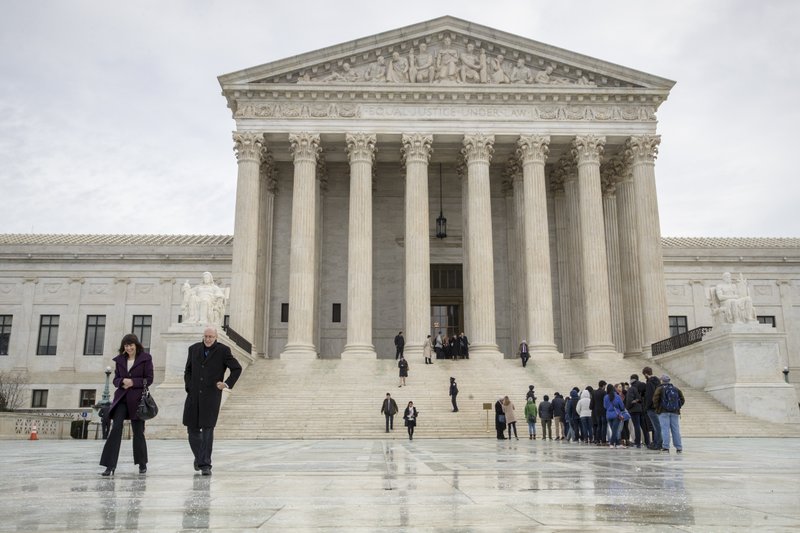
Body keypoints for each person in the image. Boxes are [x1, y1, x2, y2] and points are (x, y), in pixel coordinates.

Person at [183, 326, 242, 476]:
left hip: (211, 396)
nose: (208, 339)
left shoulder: (223, 351)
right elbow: (188, 370)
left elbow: (237, 368)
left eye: (211, 337)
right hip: (194, 396)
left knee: (208, 430)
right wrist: (189, 386)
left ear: (216, 338)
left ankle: (205, 464)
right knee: (192, 430)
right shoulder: (193, 349)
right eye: (206, 336)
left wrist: (226, 384)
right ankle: (199, 457)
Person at [99, 333, 154, 476]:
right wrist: (122, 381)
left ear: (136, 345)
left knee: (138, 432)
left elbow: (149, 379)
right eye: (126, 345)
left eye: (131, 345)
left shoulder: (146, 359)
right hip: (122, 399)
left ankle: (142, 463)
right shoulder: (120, 360)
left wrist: (134, 382)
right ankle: (109, 466)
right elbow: (115, 379)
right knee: (115, 429)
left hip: (137, 400)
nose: (129, 348)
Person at [652, 374, 686, 454]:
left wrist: (658, 409)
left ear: (662, 381)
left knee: (665, 429)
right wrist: (677, 406)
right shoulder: (676, 389)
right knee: (676, 430)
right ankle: (679, 447)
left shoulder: (659, 389)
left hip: (663, 412)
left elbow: (655, 399)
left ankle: (666, 447)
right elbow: (682, 399)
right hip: (675, 412)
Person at [643, 367, 662, 450]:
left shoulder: (650, 382)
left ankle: (658, 444)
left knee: (656, 427)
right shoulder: (658, 382)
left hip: (651, 408)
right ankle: (657, 442)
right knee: (657, 426)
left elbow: (650, 396)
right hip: (658, 407)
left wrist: (646, 407)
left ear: (646, 374)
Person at [604, 383, 626, 448]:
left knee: (614, 430)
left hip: (608, 415)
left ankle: (618, 444)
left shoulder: (605, 397)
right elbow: (622, 406)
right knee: (614, 430)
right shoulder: (617, 396)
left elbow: (605, 406)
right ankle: (611, 443)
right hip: (616, 415)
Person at [626, 374, 645, 448]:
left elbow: (629, 400)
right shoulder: (641, 387)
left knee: (636, 426)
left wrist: (628, 407)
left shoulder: (631, 388)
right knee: (642, 426)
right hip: (641, 409)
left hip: (634, 410)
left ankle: (638, 442)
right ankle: (646, 441)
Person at [591, 380, 608, 446]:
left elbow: (592, 403)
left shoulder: (594, 393)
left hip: (596, 411)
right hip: (603, 411)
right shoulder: (604, 392)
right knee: (604, 426)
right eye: (605, 386)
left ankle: (598, 440)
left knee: (599, 426)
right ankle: (603, 440)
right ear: (603, 385)